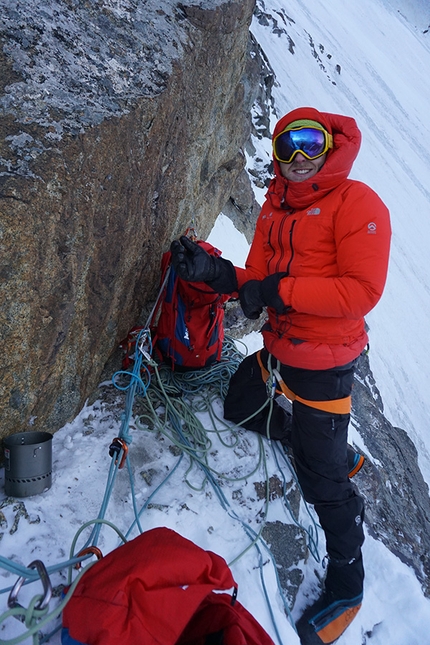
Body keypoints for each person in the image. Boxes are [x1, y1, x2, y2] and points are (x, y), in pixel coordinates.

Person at [170, 106, 391, 644]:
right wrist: (215, 272)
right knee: (240, 403)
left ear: (329, 147)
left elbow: (362, 291)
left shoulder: (356, 202)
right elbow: (258, 280)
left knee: (322, 485)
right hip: (280, 349)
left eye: (310, 143)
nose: (298, 157)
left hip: (324, 365)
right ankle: (325, 451)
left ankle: (349, 581)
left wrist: (277, 292)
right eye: (287, 145)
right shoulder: (275, 206)